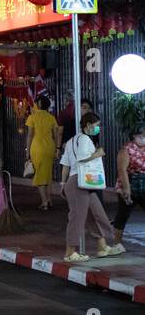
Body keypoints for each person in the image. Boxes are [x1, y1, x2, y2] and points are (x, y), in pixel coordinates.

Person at [56, 111, 125, 262]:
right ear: (87, 125)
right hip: (79, 184)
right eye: (96, 126)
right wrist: (97, 154)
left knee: (96, 214)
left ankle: (103, 246)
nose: (97, 128)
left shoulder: (70, 141)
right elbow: (82, 158)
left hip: (79, 183)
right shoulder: (85, 139)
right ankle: (70, 253)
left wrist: (62, 184)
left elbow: (65, 165)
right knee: (77, 218)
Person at [111, 123, 145, 245]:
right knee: (123, 214)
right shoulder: (126, 149)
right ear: (134, 136)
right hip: (129, 184)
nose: (143, 138)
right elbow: (122, 169)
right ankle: (117, 243)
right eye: (141, 136)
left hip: (144, 184)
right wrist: (127, 189)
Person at [25, 95, 60, 210]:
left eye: (35, 103)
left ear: (38, 104)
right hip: (50, 147)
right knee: (47, 174)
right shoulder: (51, 118)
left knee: (39, 175)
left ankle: (44, 202)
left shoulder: (32, 117)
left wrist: (27, 150)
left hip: (37, 148)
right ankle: (49, 200)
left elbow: (30, 135)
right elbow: (56, 135)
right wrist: (57, 149)